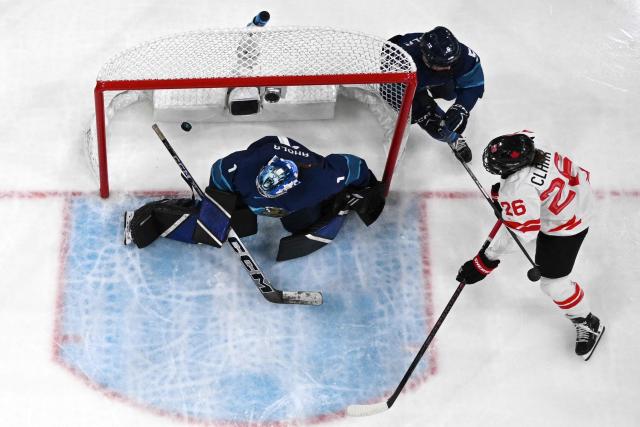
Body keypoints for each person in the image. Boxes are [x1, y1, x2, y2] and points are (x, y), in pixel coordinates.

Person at [455, 131, 605, 360]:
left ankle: (587, 321)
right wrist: (509, 202)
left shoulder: (517, 190)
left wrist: (485, 261)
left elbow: (521, 234)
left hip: (566, 227)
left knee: (553, 285)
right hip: (579, 196)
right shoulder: (534, 144)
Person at [125, 135, 386, 261]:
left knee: (297, 223)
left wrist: (368, 190)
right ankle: (161, 215)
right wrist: (217, 209)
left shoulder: (321, 180)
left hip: (303, 189)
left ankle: (327, 207)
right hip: (264, 151)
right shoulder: (241, 168)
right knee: (217, 227)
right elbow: (219, 175)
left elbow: (355, 167)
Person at [388, 26, 485, 163]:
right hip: (406, 83)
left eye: (452, 62)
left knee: (449, 93)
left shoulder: (462, 56)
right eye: (442, 64)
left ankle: (435, 91)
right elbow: (392, 96)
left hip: (426, 77)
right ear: (425, 57)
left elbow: (473, 85)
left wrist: (461, 108)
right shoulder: (399, 63)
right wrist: (421, 114)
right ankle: (453, 138)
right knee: (434, 125)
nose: (449, 67)